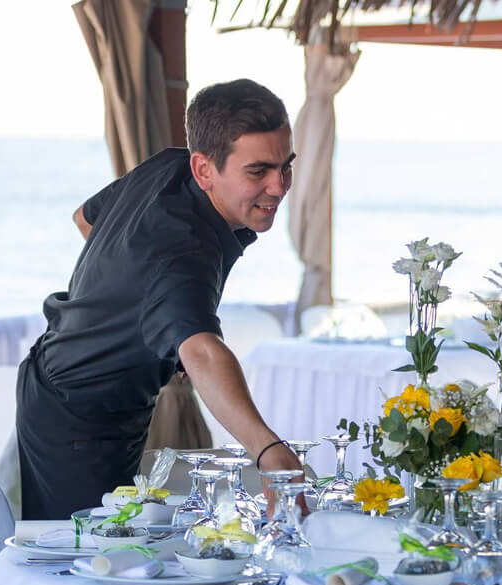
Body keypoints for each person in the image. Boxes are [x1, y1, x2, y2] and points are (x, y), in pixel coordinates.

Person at [16, 79, 303, 520]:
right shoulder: (181, 251)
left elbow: (85, 218)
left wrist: (146, 312)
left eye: (286, 166)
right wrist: (268, 450)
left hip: (75, 387)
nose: (279, 186)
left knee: (120, 544)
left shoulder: (169, 167)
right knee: (90, 557)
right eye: (258, 171)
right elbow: (205, 352)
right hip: (78, 416)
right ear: (205, 169)